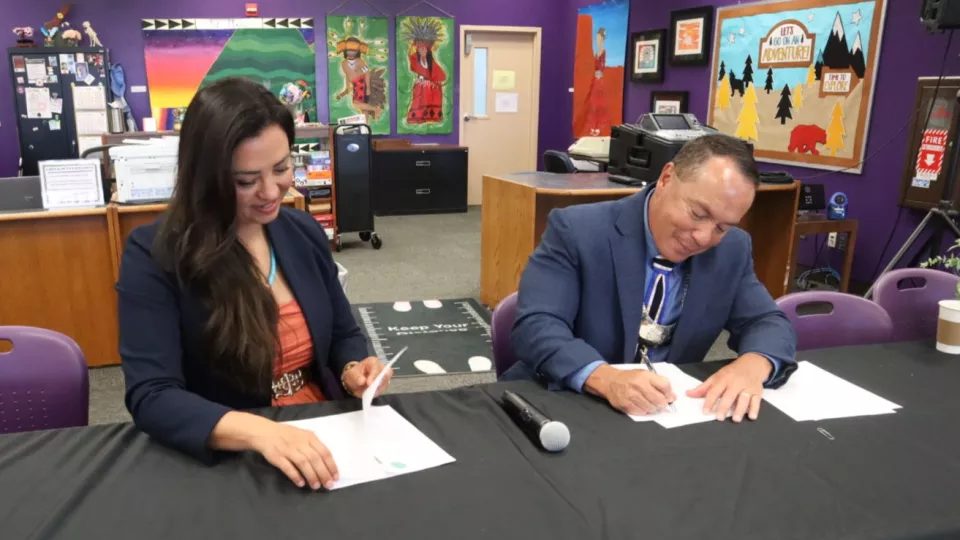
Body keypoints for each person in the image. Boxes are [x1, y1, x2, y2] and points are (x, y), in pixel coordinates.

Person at [117, 77, 391, 491]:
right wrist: (261, 433)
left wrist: (354, 368)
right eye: (245, 181)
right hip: (235, 454)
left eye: (281, 168)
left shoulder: (301, 231)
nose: (270, 191)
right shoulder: (156, 254)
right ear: (206, 178)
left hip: (325, 432)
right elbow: (152, 395)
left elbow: (341, 331)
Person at [501, 134, 797, 423]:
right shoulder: (577, 231)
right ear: (667, 178)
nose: (704, 237)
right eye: (697, 213)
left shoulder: (732, 249)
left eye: (722, 227)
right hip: (562, 404)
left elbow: (766, 322)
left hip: (663, 415)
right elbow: (537, 325)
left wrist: (754, 364)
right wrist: (604, 377)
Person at [334, 36, 386, 123]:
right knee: (363, 110)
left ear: (357, 52)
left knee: (355, 103)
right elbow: (348, 75)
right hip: (355, 85)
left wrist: (368, 88)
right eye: (349, 50)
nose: (351, 52)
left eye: (353, 51)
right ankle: (365, 127)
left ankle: (375, 109)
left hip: (361, 84)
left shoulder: (359, 61)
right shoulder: (344, 63)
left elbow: (367, 72)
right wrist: (347, 88)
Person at [406, 38, 446, 124]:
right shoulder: (415, 60)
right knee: (418, 100)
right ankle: (417, 117)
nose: (422, 51)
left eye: (424, 49)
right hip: (421, 84)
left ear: (427, 50)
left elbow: (441, 74)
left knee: (432, 96)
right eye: (420, 49)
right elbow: (414, 64)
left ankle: (432, 117)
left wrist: (434, 81)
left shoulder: (431, 62)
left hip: (430, 86)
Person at [582, 28, 610, 136]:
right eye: (596, 38)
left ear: (602, 39)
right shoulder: (596, 52)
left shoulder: (603, 51)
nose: (597, 40)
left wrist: (599, 74)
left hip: (600, 80)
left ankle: (598, 126)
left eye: (599, 38)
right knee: (593, 103)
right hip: (594, 80)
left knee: (599, 104)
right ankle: (592, 125)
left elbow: (602, 66)